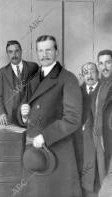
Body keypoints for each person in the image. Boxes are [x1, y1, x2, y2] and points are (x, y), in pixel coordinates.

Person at [18, 35, 83, 197]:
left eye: (48, 50)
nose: (44, 54)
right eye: (40, 50)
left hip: (57, 152)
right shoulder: (32, 79)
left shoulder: (68, 79)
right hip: (34, 152)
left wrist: (46, 136)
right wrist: (24, 116)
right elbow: (29, 114)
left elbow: (73, 118)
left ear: (56, 52)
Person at [85, 50, 112, 197]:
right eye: (101, 63)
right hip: (98, 140)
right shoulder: (100, 85)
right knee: (102, 179)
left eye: (108, 62)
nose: (104, 67)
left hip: (109, 139)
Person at [0, 40, 38, 126]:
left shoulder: (33, 67)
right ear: (7, 54)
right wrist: (1, 113)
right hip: (10, 118)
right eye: (10, 52)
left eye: (16, 51)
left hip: (29, 117)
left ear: (21, 51)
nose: (14, 55)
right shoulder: (2, 72)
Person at [75, 62, 101, 197]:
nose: (89, 75)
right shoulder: (77, 93)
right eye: (86, 72)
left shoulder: (107, 91)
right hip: (82, 142)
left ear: (98, 73)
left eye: (92, 72)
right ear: (82, 76)